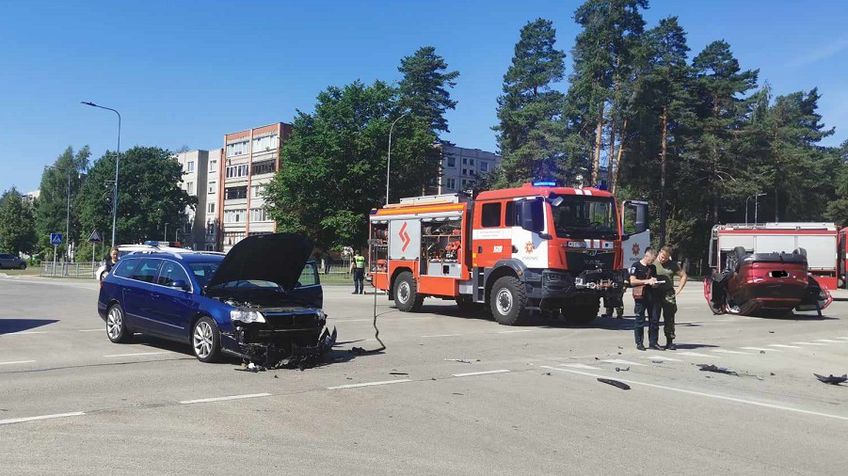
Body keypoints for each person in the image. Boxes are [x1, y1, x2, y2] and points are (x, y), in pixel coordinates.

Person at [653, 245, 688, 350]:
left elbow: (683, 276)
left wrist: (679, 289)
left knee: (669, 318)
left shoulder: (672, 265)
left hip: (668, 294)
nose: (663, 259)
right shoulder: (653, 262)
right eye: (662, 256)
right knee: (654, 318)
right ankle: (654, 341)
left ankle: (670, 341)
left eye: (666, 257)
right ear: (659, 252)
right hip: (655, 293)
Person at [629, 247, 658, 350]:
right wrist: (646, 281)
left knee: (654, 319)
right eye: (651, 259)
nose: (652, 261)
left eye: (654, 260)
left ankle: (653, 342)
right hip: (640, 297)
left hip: (651, 296)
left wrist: (654, 283)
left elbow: (653, 280)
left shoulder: (653, 268)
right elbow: (632, 281)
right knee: (640, 320)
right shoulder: (635, 266)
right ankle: (639, 343)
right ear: (646, 256)